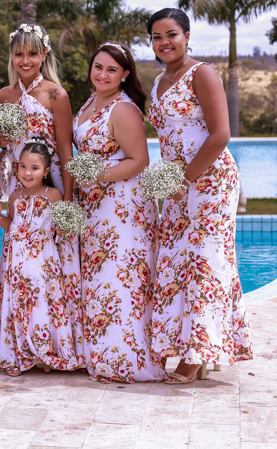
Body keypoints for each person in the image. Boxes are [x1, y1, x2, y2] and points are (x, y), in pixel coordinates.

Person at [147, 8, 253, 383]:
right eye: (157, 37)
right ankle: (192, 347)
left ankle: (197, 355)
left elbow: (220, 134)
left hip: (211, 180)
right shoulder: (158, 82)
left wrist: (186, 178)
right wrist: (171, 182)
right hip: (177, 185)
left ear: (187, 36)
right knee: (177, 263)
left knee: (205, 262)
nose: (164, 42)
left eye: (171, 34)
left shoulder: (202, 73)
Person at [73, 42, 164, 383]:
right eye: (98, 67)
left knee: (120, 277)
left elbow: (140, 161)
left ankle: (126, 358)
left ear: (124, 74)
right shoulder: (91, 101)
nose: (103, 74)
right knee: (100, 279)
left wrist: (95, 175)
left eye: (111, 69)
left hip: (122, 207)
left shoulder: (123, 109)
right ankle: (102, 351)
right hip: (95, 205)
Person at [0, 140, 82, 376]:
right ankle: (20, 355)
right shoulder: (15, 196)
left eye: (35, 168)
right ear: (17, 167)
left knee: (42, 306)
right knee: (19, 306)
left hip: (43, 262)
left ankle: (44, 353)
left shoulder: (54, 195)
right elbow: (12, 226)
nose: (27, 173)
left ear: (46, 171)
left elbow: (61, 231)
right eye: (23, 167)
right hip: (17, 263)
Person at [0, 24, 74, 200]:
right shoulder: (4, 95)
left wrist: (68, 199)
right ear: (11, 56)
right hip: (18, 180)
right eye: (19, 54)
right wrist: (1, 140)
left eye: (32, 53)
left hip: (51, 180)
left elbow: (65, 150)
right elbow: (3, 143)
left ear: (44, 54)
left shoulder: (56, 95)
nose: (25, 61)